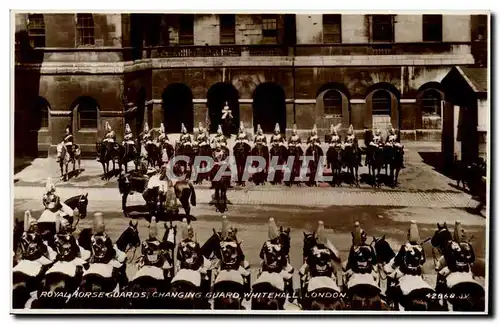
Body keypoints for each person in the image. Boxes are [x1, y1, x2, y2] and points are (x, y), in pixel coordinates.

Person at [435, 221, 475, 292]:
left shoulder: (450, 244)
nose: (463, 233)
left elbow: (450, 260)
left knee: (441, 273)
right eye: (462, 232)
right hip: (466, 269)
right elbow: (472, 259)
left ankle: (438, 292)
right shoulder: (468, 245)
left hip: (453, 268)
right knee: (472, 275)